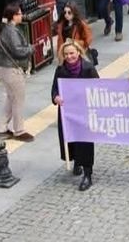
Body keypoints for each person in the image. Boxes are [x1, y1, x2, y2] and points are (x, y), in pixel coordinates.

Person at [51, 40, 99, 190]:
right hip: (68, 112)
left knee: (85, 141)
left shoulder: (88, 68)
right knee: (71, 139)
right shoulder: (60, 70)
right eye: (66, 54)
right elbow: (54, 89)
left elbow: (98, 88)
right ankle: (76, 161)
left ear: (78, 52)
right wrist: (56, 97)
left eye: (72, 53)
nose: (69, 56)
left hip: (84, 111)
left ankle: (87, 173)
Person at [0, 3, 35, 142]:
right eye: (19, 13)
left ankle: (1, 128)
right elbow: (18, 50)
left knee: (11, 98)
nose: (21, 15)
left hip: (3, 68)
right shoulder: (11, 31)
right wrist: (31, 48)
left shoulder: (3, 29)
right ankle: (19, 130)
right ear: (13, 16)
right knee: (18, 100)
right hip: (11, 70)